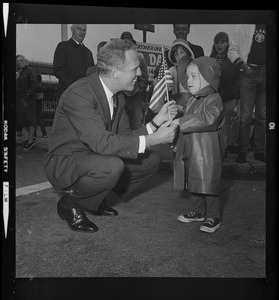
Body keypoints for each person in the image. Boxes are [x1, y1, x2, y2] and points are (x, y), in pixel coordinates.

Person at [43, 38, 178, 233]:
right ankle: (69, 203)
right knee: (113, 166)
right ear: (114, 72)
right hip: (66, 160)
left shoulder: (118, 97)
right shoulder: (80, 94)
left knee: (152, 160)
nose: (140, 73)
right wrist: (154, 139)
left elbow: (126, 137)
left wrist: (156, 123)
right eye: (135, 69)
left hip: (94, 155)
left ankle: (96, 197)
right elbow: (102, 143)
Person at [172, 57, 225, 233]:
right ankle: (198, 211)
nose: (189, 80)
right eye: (188, 77)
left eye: (194, 76)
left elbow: (208, 119)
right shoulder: (193, 99)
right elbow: (189, 116)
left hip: (207, 150)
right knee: (193, 179)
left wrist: (181, 121)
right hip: (192, 148)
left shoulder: (214, 98)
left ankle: (213, 215)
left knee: (208, 183)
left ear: (208, 77)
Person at [228, 24, 266, 163]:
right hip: (248, 71)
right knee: (245, 116)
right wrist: (243, 65)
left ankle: (259, 151)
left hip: (266, 72)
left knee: (263, 117)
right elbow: (232, 51)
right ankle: (242, 151)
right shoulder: (243, 25)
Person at [210, 32, 240, 153]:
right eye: (217, 42)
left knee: (227, 123)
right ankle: (217, 147)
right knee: (216, 123)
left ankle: (226, 147)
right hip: (215, 96)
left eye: (222, 42)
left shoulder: (232, 59)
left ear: (228, 43)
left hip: (230, 96)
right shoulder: (211, 59)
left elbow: (237, 79)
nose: (219, 45)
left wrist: (236, 98)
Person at [53, 24, 94, 101]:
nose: (82, 32)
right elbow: (58, 70)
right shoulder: (62, 46)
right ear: (72, 29)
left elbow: (91, 75)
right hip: (67, 95)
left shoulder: (88, 53)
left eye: (84, 30)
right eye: (79, 29)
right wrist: (75, 87)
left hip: (85, 96)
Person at [120, 31, 149, 129]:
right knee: (122, 123)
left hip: (135, 96)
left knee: (136, 122)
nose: (127, 44)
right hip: (121, 95)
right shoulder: (118, 59)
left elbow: (144, 77)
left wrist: (140, 91)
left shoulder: (139, 58)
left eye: (129, 42)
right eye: (124, 42)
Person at [16, 55, 38, 151]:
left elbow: (35, 84)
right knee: (23, 120)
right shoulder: (19, 72)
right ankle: (31, 137)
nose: (19, 62)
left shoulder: (30, 70)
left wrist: (29, 94)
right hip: (21, 99)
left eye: (21, 60)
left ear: (25, 61)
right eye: (18, 61)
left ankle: (31, 141)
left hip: (29, 99)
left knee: (30, 119)